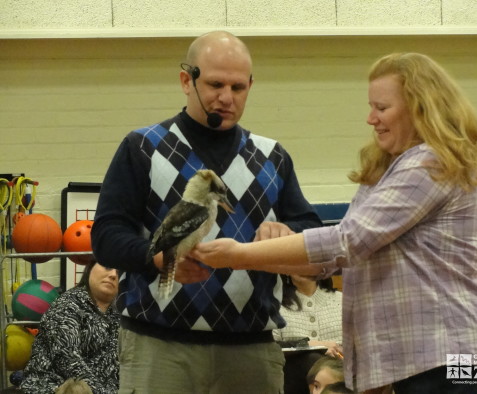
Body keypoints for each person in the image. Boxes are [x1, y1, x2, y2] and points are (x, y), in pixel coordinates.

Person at [191, 52, 477, 393]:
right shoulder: (393, 169)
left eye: (381, 108)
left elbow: (346, 241)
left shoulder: (429, 164)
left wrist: (238, 255)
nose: (370, 119)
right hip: (439, 356)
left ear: (420, 108)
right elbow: (331, 259)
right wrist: (244, 256)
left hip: (456, 355)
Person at [91, 30, 322, 393]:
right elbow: (106, 236)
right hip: (160, 348)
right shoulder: (143, 148)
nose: (226, 98)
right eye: (215, 84)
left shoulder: (272, 156)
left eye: (238, 87)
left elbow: (310, 227)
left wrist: (287, 233)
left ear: (250, 85)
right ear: (187, 80)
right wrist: (159, 258)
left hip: (251, 349)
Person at [20, 261, 119, 394]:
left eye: (120, 272)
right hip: (55, 386)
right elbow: (66, 357)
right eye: (107, 266)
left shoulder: (121, 313)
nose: (113, 274)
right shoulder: (68, 305)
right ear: (90, 268)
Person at [275, 275, 343, 394]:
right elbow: (271, 348)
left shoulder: (342, 300)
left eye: (307, 260)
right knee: (311, 359)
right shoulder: (275, 305)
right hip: (295, 380)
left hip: (341, 373)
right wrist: (310, 345)